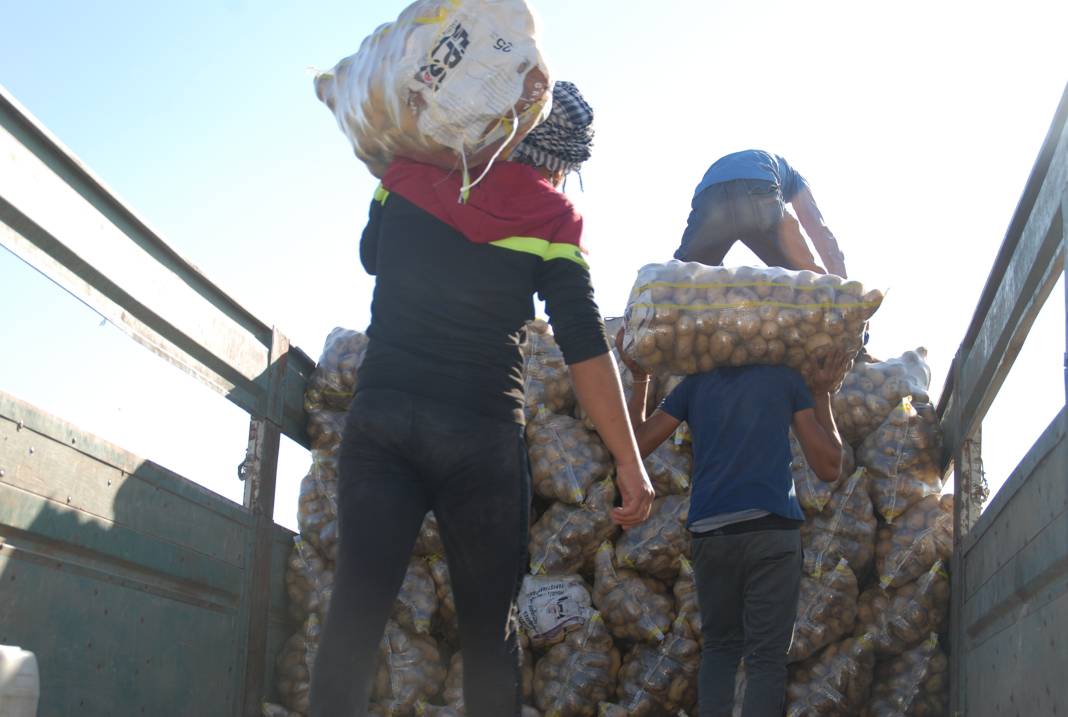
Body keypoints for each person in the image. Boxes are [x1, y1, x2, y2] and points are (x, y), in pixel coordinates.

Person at [309, 81, 656, 717]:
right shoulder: (553, 217)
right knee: (487, 633)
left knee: (355, 614)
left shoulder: (409, 171)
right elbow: (584, 345)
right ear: (557, 159)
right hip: (479, 438)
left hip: (383, 420)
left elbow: (369, 256)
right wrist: (630, 463)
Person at [616, 330, 850, 717]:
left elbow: (634, 446)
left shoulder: (694, 386)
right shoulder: (785, 380)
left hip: (713, 535)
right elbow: (829, 466)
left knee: (721, 649)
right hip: (772, 536)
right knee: (766, 659)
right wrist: (823, 393)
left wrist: (642, 379)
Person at [674, 150, 848, 277]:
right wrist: (841, 282)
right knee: (804, 276)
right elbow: (817, 229)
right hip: (758, 187)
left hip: (709, 196)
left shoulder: (767, 164)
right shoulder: (796, 179)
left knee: (685, 274)